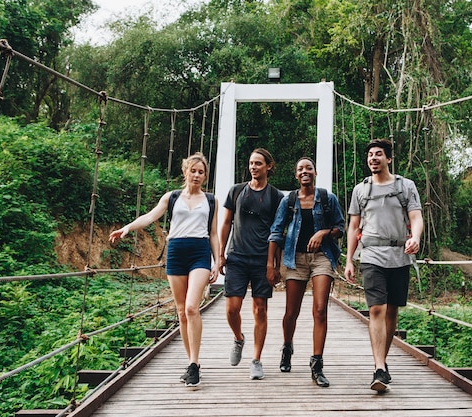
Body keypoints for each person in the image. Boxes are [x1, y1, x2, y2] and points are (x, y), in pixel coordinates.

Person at [109, 152, 219, 388]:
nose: (197, 175)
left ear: (205, 175)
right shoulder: (172, 197)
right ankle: (193, 365)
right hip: (176, 252)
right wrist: (127, 228)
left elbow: (213, 233)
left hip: (199, 252)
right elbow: (150, 217)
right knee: (181, 311)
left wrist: (217, 261)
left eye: (201, 172)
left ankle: (194, 362)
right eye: (193, 170)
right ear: (185, 171)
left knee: (191, 307)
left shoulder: (211, 200)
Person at [344, 139, 423, 392]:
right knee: (377, 309)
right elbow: (354, 227)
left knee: (391, 312)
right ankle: (379, 367)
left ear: (389, 159)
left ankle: (383, 363)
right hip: (371, 255)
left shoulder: (406, 186)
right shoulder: (361, 190)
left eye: (378, 154)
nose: (373, 158)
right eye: (370, 155)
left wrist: (416, 238)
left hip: (399, 255)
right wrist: (349, 259)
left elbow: (416, 217)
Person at [267, 157, 344, 387]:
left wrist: (323, 233)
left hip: (322, 257)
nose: (304, 172)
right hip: (295, 258)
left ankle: (317, 364)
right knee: (291, 312)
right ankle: (287, 346)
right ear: (296, 174)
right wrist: (271, 265)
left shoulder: (328, 198)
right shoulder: (288, 201)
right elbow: (276, 232)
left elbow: (340, 228)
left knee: (320, 309)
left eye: (308, 168)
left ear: (315, 172)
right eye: (300, 168)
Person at [218, 148, 283, 380]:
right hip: (237, 256)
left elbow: (278, 232)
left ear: (269, 166)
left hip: (261, 260)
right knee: (232, 308)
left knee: (260, 309)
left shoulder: (276, 197)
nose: (253, 167)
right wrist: (220, 254)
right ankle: (238, 338)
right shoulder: (236, 191)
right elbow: (226, 223)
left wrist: (275, 265)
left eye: (258, 163)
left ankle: (256, 360)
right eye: (251, 163)